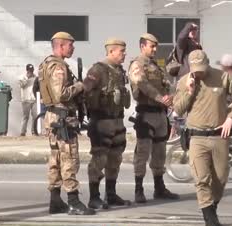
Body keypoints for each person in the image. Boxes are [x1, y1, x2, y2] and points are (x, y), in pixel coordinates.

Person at [174, 50, 232, 226]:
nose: (199, 73)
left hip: (219, 136)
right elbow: (178, 109)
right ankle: (210, 222)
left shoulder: (222, 77)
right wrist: (189, 92)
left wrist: (231, 118)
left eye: (202, 68)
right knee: (201, 179)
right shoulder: (184, 82)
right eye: (195, 69)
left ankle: (211, 210)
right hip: (196, 137)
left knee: (220, 179)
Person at [38, 31, 94, 215]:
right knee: (69, 158)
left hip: (54, 117)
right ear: (60, 46)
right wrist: (81, 86)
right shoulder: (58, 67)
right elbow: (60, 94)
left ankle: (55, 200)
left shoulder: (47, 64)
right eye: (70, 45)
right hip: (62, 118)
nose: (73, 48)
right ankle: (73, 201)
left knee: (56, 159)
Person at [128, 33, 180, 203]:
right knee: (142, 152)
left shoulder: (156, 66)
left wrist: (171, 97)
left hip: (160, 114)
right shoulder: (137, 64)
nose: (155, 49)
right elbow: (142, 84)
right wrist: (160, 98)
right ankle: (138, 189)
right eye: (152, 46)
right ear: (143, 46)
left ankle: (159, 188)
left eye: (156, 46)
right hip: (146, 114)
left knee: (160, 152)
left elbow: (167, 84)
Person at [83, 38, 131, 209]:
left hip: (117, 120)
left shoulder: (119, 71)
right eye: (121, 51)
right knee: (99, 159)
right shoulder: (98, 69)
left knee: (115, 159)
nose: (124, 54)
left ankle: (110, 194)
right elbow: (85, 89)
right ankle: (94, 197)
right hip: (101, 121)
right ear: (111, 52)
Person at [19, 64, 37, 136]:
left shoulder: (36, 77)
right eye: (29, 71)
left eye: (32, 71)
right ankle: (23, 132)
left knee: (35, 116)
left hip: (34, 100)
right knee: (25, 116)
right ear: (27, 70)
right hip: (26, 100)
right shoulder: (22, 77)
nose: (31, 72)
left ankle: (34, 131)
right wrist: (27, 78)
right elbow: (21, 85)